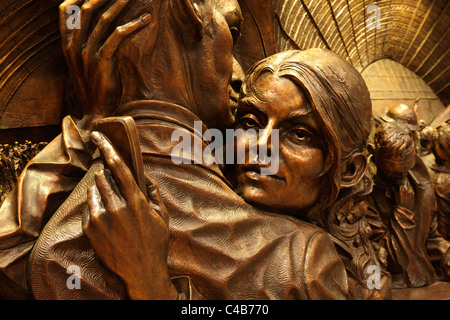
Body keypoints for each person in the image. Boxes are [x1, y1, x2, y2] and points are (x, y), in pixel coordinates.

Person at [0, 0, 352, 300]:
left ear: (347, 169)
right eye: (250, 122)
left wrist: (152, 284)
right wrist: (95, 123)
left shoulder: (304, 258)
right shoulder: (297, 258)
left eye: (301, 135)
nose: (263, 149)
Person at [366, 121, 450, 288]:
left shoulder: (418, 180)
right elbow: (392, 261)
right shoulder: (364, 192)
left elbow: (430, 238)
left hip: (425, 278)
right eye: (395, 171)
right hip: (389, 285)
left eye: (407, 167)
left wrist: (446, 253)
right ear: (375, 155)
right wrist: (403, 211)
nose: (403, 176)